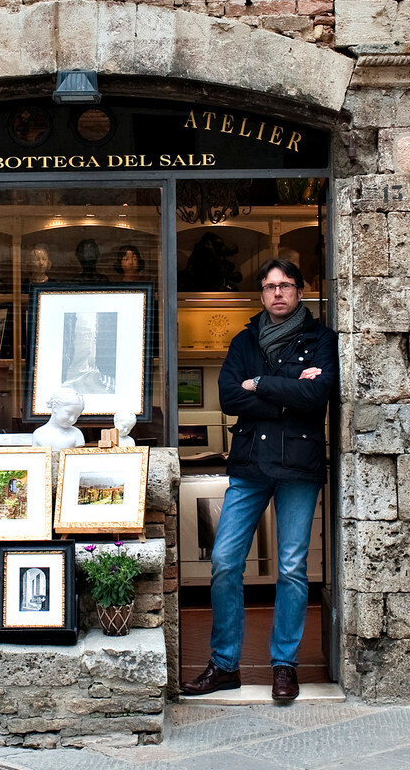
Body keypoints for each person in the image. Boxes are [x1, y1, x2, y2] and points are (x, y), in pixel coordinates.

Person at [182, 259, 335, 702]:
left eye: (286, 285)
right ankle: (225, 665)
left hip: (298, 467)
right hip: (249, 467)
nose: (278, 293)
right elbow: (229, 398)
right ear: (262, 295)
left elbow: (316, 395)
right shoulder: (244, 339)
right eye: (270, 287)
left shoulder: (321, 339)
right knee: (225, 562)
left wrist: (261, 384)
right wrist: (286, 388)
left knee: (291, 569)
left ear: (300, 292)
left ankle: (284, 665)